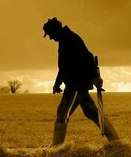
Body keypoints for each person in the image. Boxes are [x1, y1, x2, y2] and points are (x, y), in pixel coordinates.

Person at [43, 17, 119, 146]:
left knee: (62, 113)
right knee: (93, 113)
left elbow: (88, 58)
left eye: (50, 35)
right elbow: (63, 67)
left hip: (76, 84)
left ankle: (56, 148)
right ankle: (116, 142)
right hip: (78, 83)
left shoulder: (70, 39)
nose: (50, 38)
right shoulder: (65, 40)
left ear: (55, 31)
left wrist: (96, 77)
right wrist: (57, 83)